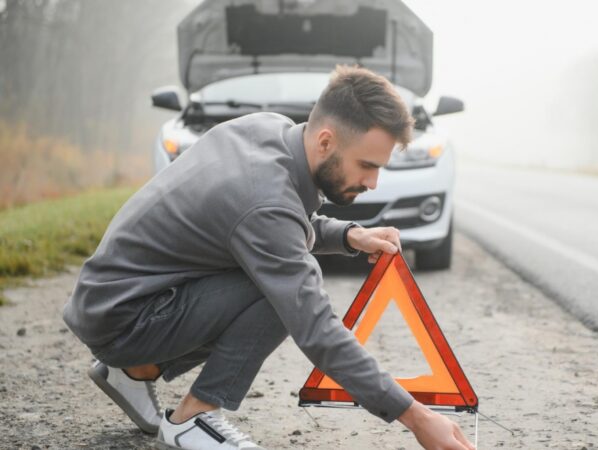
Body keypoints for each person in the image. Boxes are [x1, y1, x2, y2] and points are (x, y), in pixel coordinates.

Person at [62, 66, 474, 450]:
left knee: (278, 279)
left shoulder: (268, 130)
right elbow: (315, 326)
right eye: (366, 166)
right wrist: (416, 417)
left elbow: (279, 223)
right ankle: (192, 419)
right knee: (283, 297)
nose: (372, 182)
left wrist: (350, 235)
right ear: (326, 141)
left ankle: (136, 371)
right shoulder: (265, 203)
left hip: (114, 299)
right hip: (126, 320)